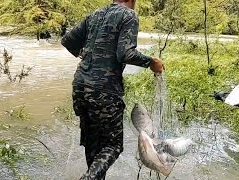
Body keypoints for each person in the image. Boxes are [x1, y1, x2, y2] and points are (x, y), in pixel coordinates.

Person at [61, 0, 164, 179]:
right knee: (113, 145)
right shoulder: (128, 15)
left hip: (80, 86)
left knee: (93, 146)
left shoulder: (96, 14)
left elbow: (68, 41)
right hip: (104, 90)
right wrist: (151, 62)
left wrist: (86, 56)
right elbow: (125, 53)